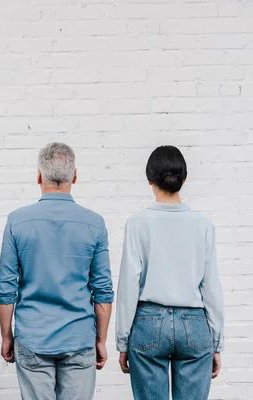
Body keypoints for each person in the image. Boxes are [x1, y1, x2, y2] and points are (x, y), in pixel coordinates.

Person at [0, 142, 114, 400]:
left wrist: (7, 337)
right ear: (75, 176)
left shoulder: (17, 221)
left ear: (39, 176)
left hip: (33, 337)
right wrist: (101, 340)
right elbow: (103, 291)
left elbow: (5, 288)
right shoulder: (94, 223)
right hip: (79, 337)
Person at [116, 145, 224, 400]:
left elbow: (129, 285)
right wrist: (217, 343)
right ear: (183, 179)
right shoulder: (203, 225)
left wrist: (122, 341)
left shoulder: (138, 223)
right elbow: (211, 289)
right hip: (195, 325)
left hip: (148, 323)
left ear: (150, 180)